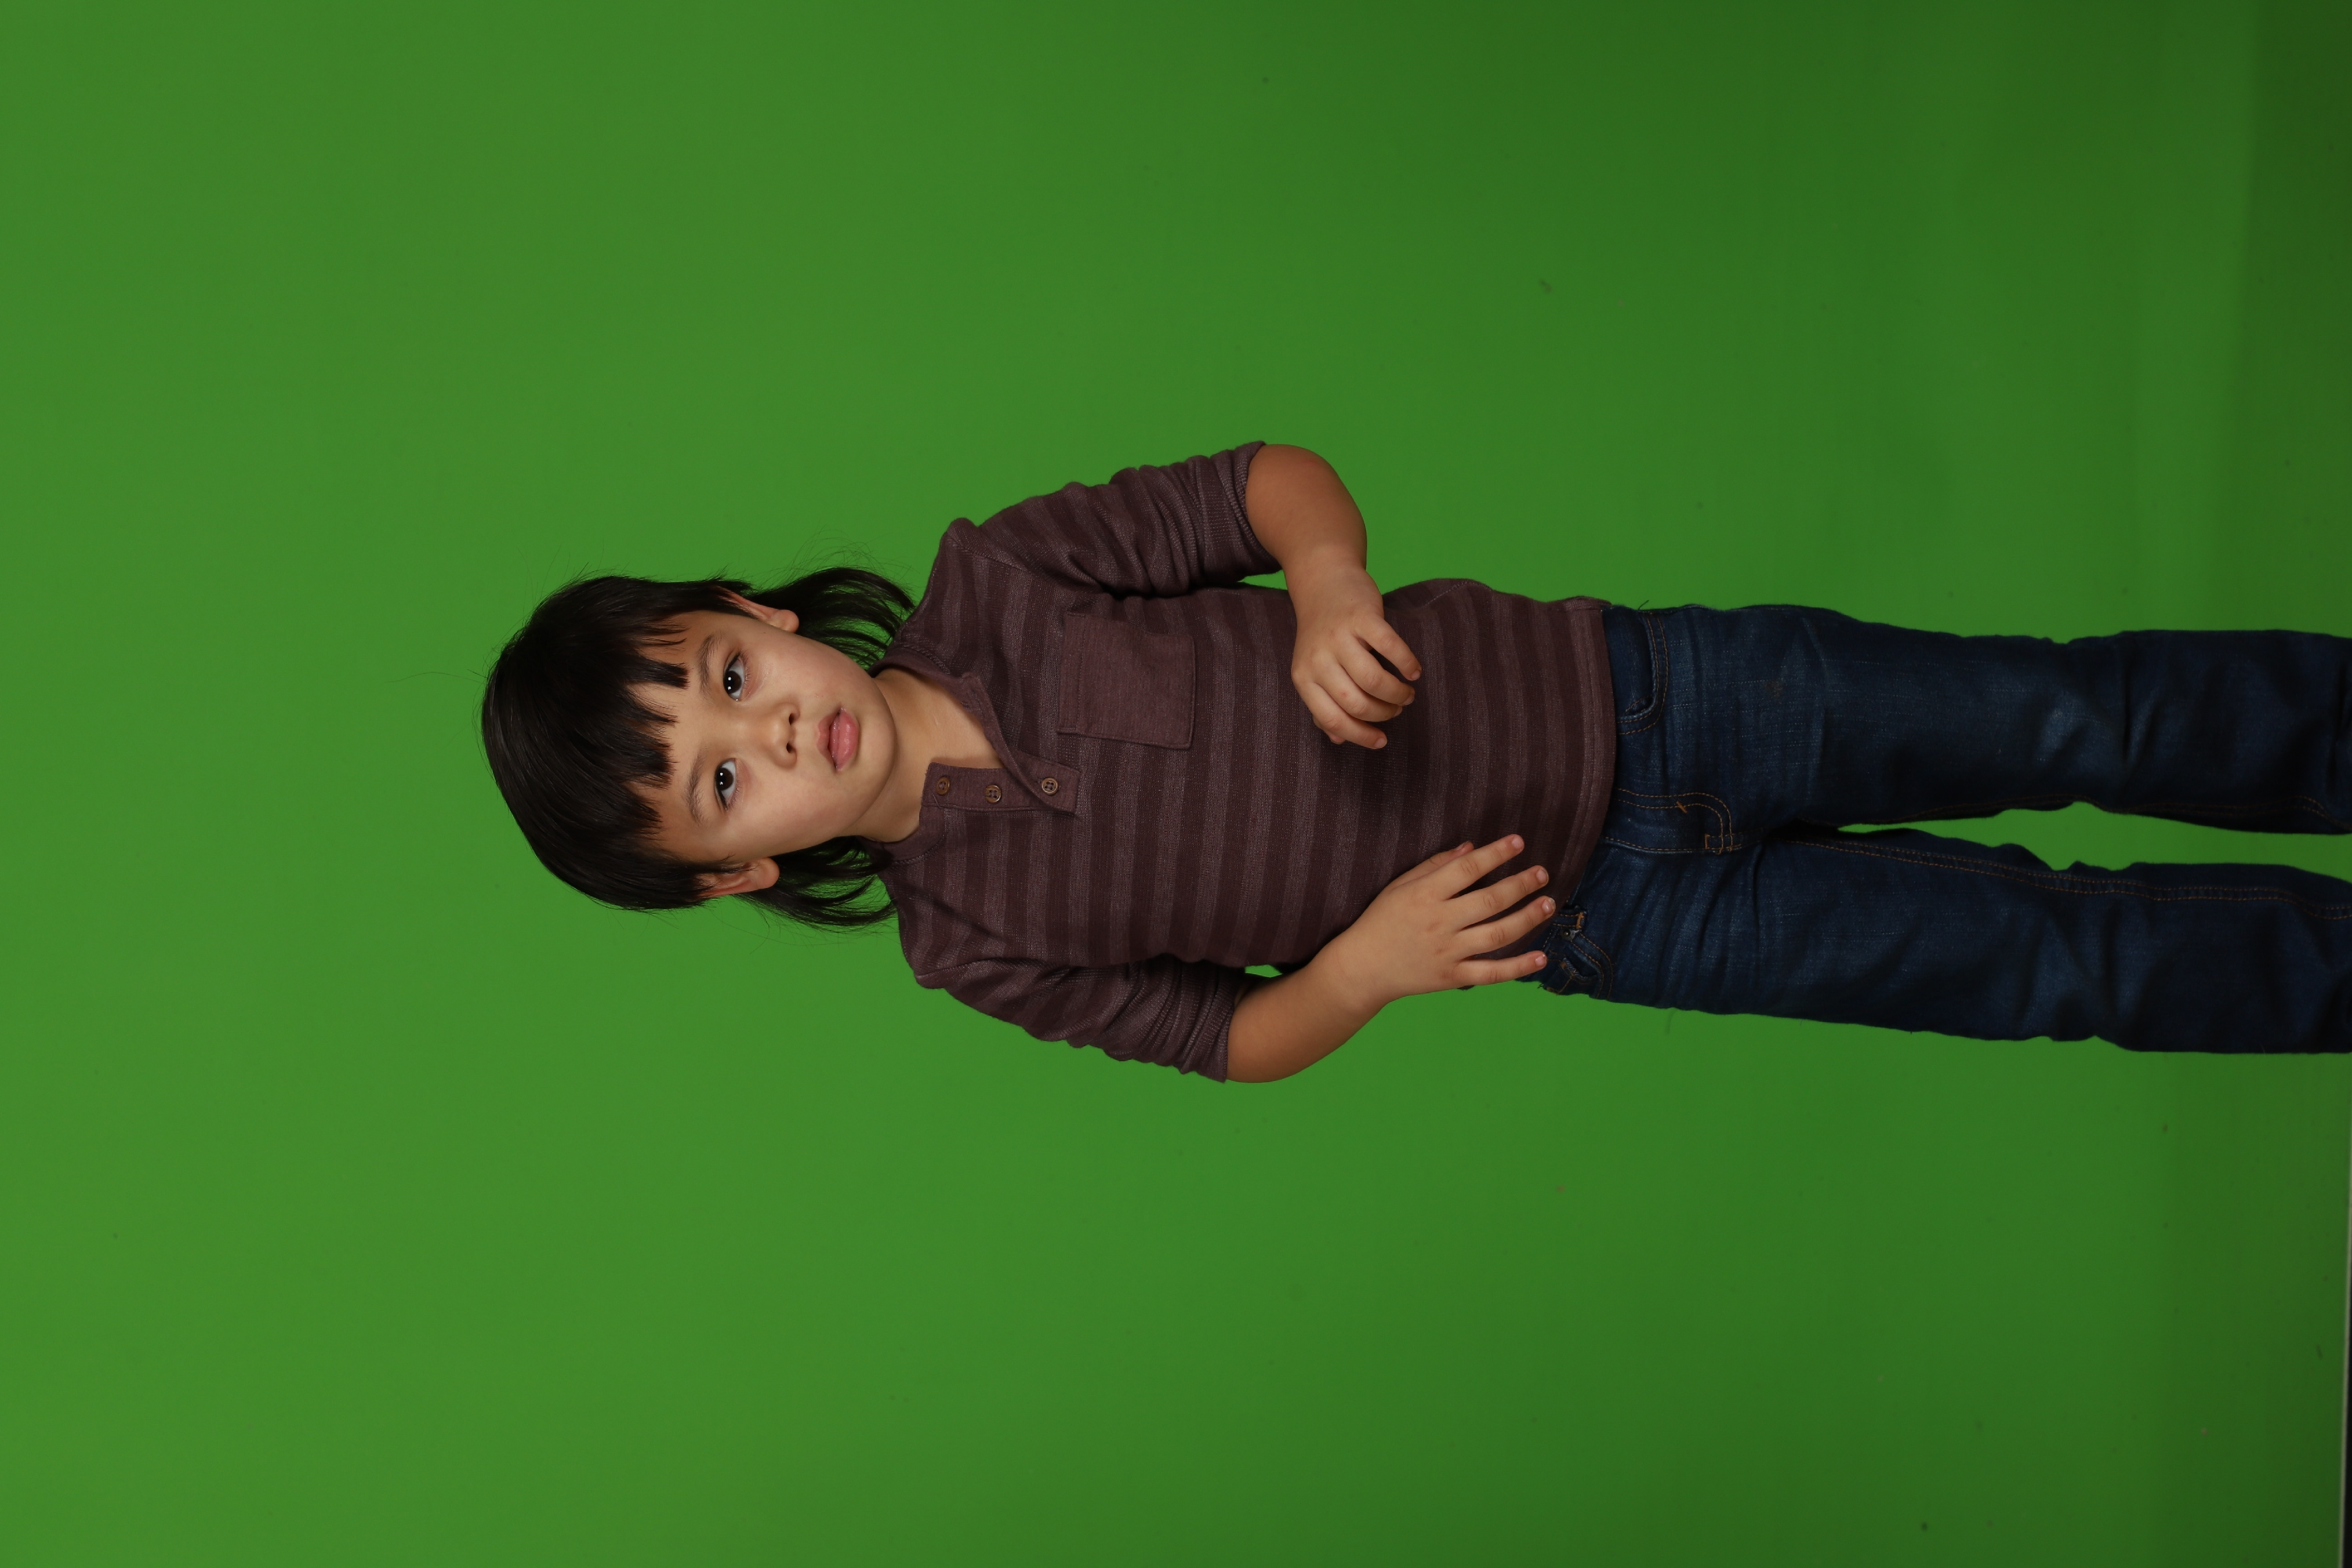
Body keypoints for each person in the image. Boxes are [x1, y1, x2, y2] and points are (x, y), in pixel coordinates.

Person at [480, 443, 2352, 1080]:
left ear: (754, 608)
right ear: (737, 871)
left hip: (1658, 692)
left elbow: (1265, 485)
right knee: (2042, 965)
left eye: (729, 674)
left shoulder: (1006, 574)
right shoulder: (968, 944)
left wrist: (1325, 586)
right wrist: (1365, 970)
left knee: (2065, 718)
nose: (765, 728)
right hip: (1608, 919)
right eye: (719, 784)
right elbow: (1227, 1037)